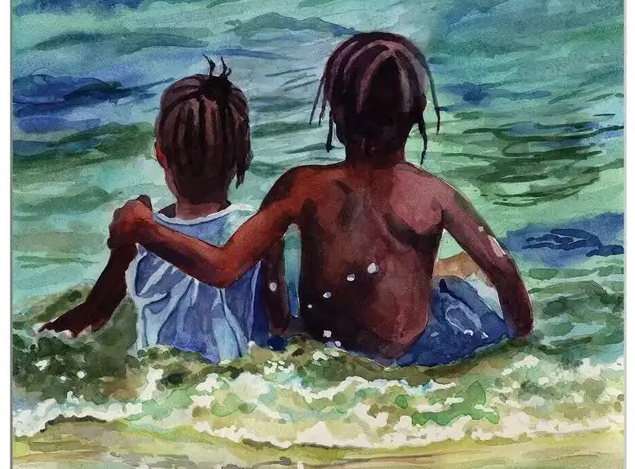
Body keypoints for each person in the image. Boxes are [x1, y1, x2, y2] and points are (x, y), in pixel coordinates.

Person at [108, 33, 532, 366]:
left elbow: (224, 268)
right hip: (414, 355)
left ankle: (438, 272)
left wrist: (146, 229)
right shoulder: (435, 195)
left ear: (335, 112)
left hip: (331, 354)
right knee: (457, 288)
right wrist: (521, 343)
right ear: (416, 114)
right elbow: (502, 269)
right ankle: (440, 274)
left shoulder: (302, 187)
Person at [42, 58, 289, 363]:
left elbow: (93, 314)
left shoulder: (140, 232)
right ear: (244, 155)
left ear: (160, 153)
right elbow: (279, 326)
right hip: (236, 384)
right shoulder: (256, 231)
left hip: (155, 381)